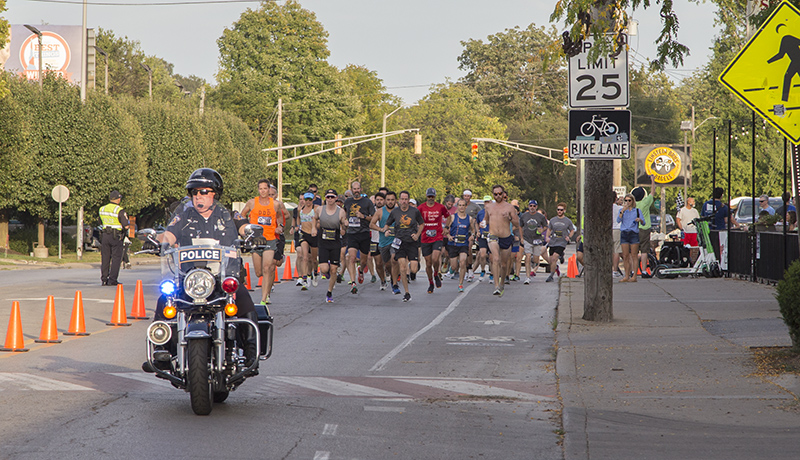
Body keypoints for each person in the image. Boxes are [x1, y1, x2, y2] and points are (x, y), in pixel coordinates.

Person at [146, 168, 259, 370]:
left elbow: (243, 227)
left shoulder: (226, 215)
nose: (199, 196)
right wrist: (155, 240)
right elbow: (169, 235)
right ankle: (160, 351)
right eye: (195, 192)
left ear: (214, 193)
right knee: (166, 297)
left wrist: (252, 234)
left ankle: (251, 351)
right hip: (190, 278)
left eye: (204, 191)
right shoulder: (183, 215)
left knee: (242, 296)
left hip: (221, 277)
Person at [240, 179, 289, 305]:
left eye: (265, 189)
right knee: (259, 272)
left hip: (270, 238)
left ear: (269, 190)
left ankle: (264, 298)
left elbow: (280, 216)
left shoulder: (275, 204)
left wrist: (280, 226)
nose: (263, 191)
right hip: (255, 240)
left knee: (267, 268)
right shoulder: (252, 203)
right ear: (258, 190)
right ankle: (266, 289)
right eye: (260, 189)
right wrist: (245, 228)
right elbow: (242, 215)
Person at [384, 190, 424, 302]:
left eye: (406, 199)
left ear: (408, 200)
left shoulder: (414, 211)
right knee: (402, 267)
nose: (404, 201)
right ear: (399, 200)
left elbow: (422, 224)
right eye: (402, 199)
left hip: (411, 242)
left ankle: (412, 273)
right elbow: (387, 223)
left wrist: (417, 234)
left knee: (414, 269)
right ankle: (407, 293)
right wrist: (386, 230)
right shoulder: (395, 212)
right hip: (399, 242)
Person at [484, 185, 522, 296]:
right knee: (495, 259)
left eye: (500, 194)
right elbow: (485, 220)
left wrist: (509, 217)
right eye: (495, 194)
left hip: (505, 237)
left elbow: (517, 223)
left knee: (504, 264)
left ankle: (502, 283)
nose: (498, 196)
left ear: (503, 194)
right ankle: (496, 286)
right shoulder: (489, 207)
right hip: (493, 236)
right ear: (493, 195)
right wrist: (482, 224)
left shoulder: (509, 207)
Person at [312, 189, 348, 303]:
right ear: (325, 198)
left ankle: (329, 292)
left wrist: (345, 226)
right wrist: (313, 228)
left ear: (336, 198)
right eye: (328, 197)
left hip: (335, 242)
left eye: (332, 197)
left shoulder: (340, 211)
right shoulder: (320, 209)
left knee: (333, 270)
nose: (330, 199)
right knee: (324, 269)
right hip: (323, 241)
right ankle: (326, 270)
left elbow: (344, 223)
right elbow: (314, 218)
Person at [344, 181, 376, 294]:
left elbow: (373, 218)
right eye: (354, 189)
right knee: (351, 258)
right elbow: (344, 214)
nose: (356, 191)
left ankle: (361, 270)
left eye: (358, 189)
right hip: (352, 233)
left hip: (364, 233)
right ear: (352, 190)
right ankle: (353, 283)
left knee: (363, 261)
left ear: (361, 190)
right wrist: (344, 222)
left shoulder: (367, 202)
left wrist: (363, 216)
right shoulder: (348, 202)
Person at [419, 187, 450, 294]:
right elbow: (415, 218)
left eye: (432, 196)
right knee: (428, 263)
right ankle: (431, 282)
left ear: (435, 196)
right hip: (425, 238)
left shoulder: (440, 207)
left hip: (437, 236)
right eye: (429, 196)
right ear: (426, 196)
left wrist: (446, 227)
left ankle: (436, 273)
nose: (431, 198)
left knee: (435, 258)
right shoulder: (421, 208)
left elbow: (448, 216)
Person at [371, 191, 400, 293]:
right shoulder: (380, 212)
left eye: (392, 200)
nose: (390, 202)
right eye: (388, 200)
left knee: (394, 259)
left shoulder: (399, 211)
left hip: (395, 241)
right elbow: (371, 224)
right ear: (385, 201)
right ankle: (388, 278)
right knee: (386, 265)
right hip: (383, 242)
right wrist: (382, 229)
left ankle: (394, 282)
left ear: (395, 200)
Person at [99, 190, 130, 286]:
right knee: (116, 258)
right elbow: (126, 226)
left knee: (105, 257)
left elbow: (100, 222)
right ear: (118, 199)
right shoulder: (119, 210)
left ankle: (104, 279)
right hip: (116, 236)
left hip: (105, 236)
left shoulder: (102, 209)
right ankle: (112, 279)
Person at [446, 198, 477, 291]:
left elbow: (473, 230)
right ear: (457, 206)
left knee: (463, 262)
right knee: (454, 266)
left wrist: (472, 236)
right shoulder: (452, 217)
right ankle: (452, 269)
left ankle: (460, 284)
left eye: (463, 205)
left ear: (466, 206)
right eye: (460, 205)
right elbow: (445, 229)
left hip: (463, 244)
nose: (461, 207)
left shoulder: (469, 218)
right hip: (453, 244)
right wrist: (448, 236)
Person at [545, 202, 576, 283]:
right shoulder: (553, 220)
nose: (559, 211)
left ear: (564, 211)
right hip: (553, 242)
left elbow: (572, 230)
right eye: (558, 210)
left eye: (561, 210)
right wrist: (547, 237)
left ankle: (551, 276)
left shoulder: (567, 221)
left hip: (561, 242)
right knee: (551, 260)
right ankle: (560, 257)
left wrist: (569, 237)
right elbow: (549, 229)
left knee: (555, 257)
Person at [617, 193, 644, 282]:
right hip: (624, 232)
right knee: (625, 256)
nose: (627, 202)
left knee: (634, 255)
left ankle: (634, 276)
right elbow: (618, 220)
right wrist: (622, 211)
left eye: (629, 200)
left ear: (632, 201)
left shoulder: (637, 211)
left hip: (633, 233)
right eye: (626, 200)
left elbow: (644, 222)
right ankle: (626, 275)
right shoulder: (622, 210)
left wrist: (640, 220)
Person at [520, 199, 547, 284]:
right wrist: (521, 237)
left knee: (536, 258)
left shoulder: (540, 217)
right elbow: (520, 227)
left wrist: (542, 230)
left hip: (537, 239)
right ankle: (527, 277)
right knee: (527, 256)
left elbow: (546, 226)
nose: (532, 207)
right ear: (528, 206)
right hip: (527, 238)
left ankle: (534, 264)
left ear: (536, 207)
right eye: (531, 206)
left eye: (534, 206)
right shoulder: (524, 216)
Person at [632, 176, 655, 276]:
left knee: (634, 251)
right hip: (644, 229)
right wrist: (652, 181)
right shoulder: (645, 203)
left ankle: (633, 270)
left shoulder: (631, 205)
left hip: (633, 229)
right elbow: (652, 192)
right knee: (644, 250)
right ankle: (644, 270)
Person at [296, 192, 318, 290]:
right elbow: (298, 219)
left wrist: (315, 227)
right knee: (304, 256)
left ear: (313, 200)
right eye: (306, 200)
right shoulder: (300, 209)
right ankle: (304, 278)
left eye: (310, 200)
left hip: (313, 235)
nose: (308, 202)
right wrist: (297, 227)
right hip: (304, 234)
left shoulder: (316, 209)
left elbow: (319, 221)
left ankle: (315, 272)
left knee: (313, 259)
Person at [611, 192, 623, 277]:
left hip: (608, 230)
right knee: (616, 251)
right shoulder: (619, 208)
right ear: (615, 199)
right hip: (617, 229)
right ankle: (615, 270)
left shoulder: (604, 208)